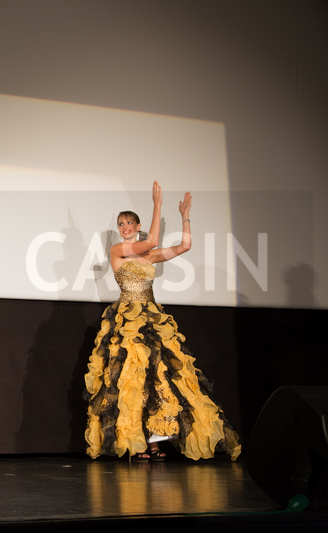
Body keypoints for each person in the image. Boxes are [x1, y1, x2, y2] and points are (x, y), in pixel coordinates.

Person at [84, 181, 240, 462]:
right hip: (128, 322)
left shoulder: (150, 256)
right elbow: (153, 240)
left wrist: (184, 216)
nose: (125, 226)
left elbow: (185, 245)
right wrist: (157, 205)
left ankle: (155, 442)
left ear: (138, 225)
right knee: (132, 381)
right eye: (121, 223)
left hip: (152, 320)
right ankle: (137, 444)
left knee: (158, 380)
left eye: (129, 222)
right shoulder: (117, 250)